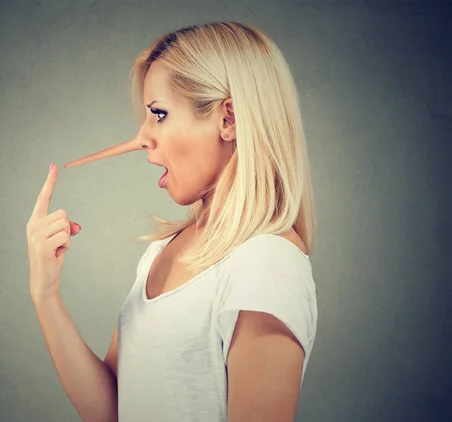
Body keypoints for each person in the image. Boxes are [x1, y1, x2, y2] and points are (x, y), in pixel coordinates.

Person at [26, 21, 317, 422]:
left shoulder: (266, 262)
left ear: (228, 120)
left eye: (159, 114)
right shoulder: (163, 251)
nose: (143, 136)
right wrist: (46, 295)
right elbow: (112, 410)